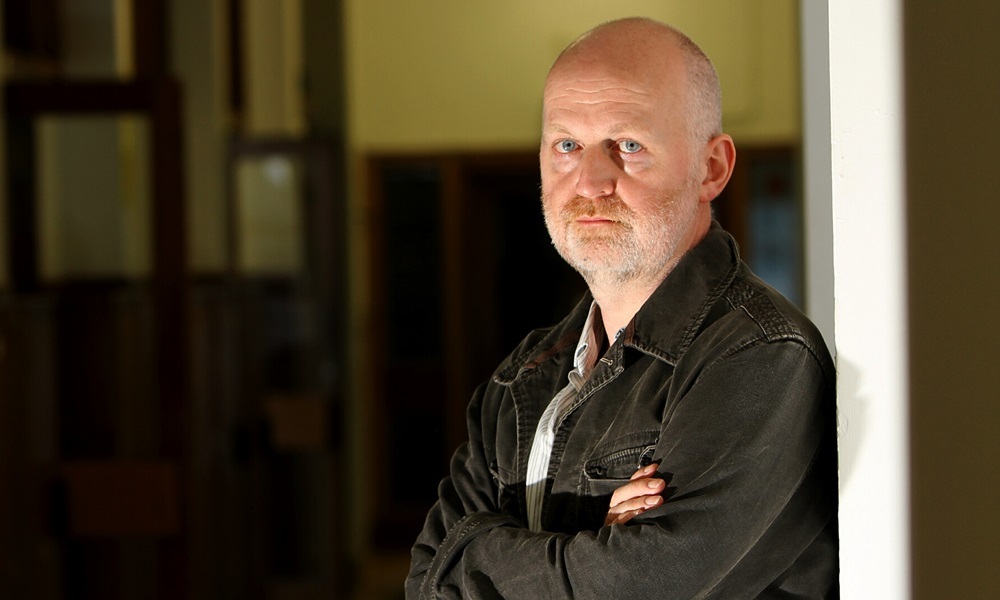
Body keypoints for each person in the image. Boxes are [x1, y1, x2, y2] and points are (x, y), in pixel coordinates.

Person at [406, 17, 839, 599]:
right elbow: (426, 580)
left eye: (628, 145)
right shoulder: (524, 376)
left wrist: (480, 550)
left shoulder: (760, 358)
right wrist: (591, 543)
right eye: (567, 146)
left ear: (711, 168)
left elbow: (640, 589)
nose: (589, 181)